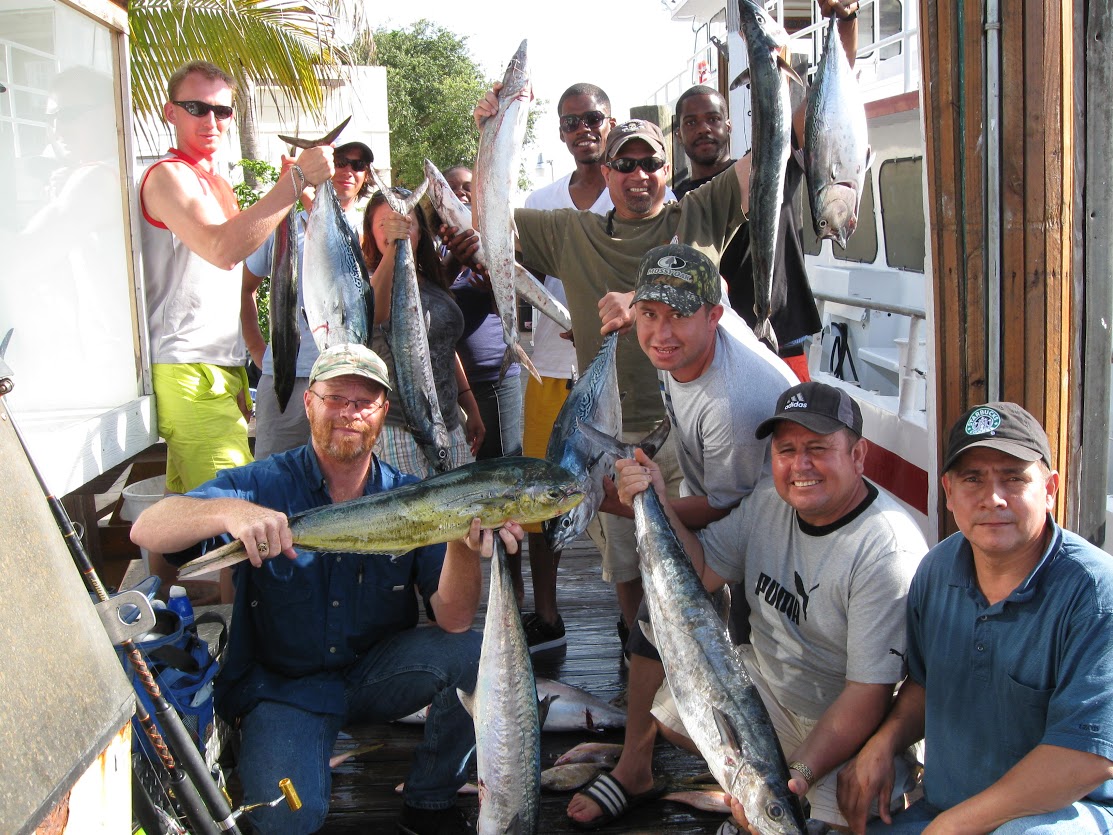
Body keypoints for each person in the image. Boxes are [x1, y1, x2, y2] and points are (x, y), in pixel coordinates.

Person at [130, 342, 519, 835]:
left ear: (382, 414)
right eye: (336, 397)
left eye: (365, 401)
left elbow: (453, 620)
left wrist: (464, 545)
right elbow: (148, 528)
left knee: (471, 653)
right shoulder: (263, 482)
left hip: (374, 674)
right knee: (290, 819)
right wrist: (231, 511)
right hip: (282, 688)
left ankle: (430, 799)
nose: (350, 412)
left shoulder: (412, 495)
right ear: (310, 402)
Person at [459, 92, 743, 652]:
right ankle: (637, 653)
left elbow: (789, 146)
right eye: (625, 164)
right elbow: (486, 220)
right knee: (625, 565)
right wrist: (491, 131)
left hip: (694, 427)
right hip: (612, 435)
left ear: (670, 168)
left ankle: (700, 664)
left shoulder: (700, 212)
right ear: (606, 171)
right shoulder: (572, 233)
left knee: (702, 564)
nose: (639, 175)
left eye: (651, 163)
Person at [575, 382, 926, 831]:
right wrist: (657, 499)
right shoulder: (768, 503)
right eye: (787, 450)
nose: (801, 465)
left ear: (858, 457)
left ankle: (770, 806)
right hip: (769, 693)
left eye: (818, 449)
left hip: (847, 720)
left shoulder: (884, 551)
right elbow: (699, 573)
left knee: (830, 814)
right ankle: (738, 796)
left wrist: (792, 779)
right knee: (672, 714)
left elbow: (868, 694)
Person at [565, 242, 797, 825]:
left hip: (766, 524)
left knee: (694, 620)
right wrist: (628, 302)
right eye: (649, 314)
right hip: (722, 490)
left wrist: (621, 503)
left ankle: (753, 776)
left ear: (714, 316)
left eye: (677, 316)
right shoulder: (695, 335)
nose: (660, 333)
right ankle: (637, 761)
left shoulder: (732, 403)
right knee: (657, 610)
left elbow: (723, 511)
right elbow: (685, 271)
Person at [837, 402, 1113, 834]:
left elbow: (1087, 759)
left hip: (1062, 814)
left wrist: (952, 827)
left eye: (1014, 478)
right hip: (946, 810)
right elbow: (926, 684)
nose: (993, 498)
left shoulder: (1095, 593)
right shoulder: (937, 569)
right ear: (948, 491)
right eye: (973, 479)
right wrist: (883, 741)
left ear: (1051, 489)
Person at [138, 60, 332, 594]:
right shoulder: (166, 177)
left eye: (223, 110)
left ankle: (165, 614)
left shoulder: (220, 184)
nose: (212, 120)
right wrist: (292, 185)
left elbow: (245, 250)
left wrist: (248, 358)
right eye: (196, 108)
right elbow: (222, 250)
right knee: (238, 516)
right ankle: (238, 653)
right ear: (170, 112)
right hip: (185, 368)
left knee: (181, 511)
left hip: (221, 369)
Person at [670, 5, 855, 380]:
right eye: (691, 122)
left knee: (792, 436)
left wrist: (846, 23)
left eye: (712, 119)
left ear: (729, 125)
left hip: (784, 334)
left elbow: (824, 110)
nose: (703, 129)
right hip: (716, 343)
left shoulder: (771, 161)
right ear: (679, 134)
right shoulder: (677, 200)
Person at [516, 82, 616, 652]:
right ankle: (548, 614)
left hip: (615, 373)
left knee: (621, 497)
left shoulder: (635, 188)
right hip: (550, 370)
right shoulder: (543, 199)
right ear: (560, 132)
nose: (585, 130)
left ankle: (635, 617)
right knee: (539, 495)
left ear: (610, 119)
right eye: (572, 122)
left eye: (593, 118)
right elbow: (517, 265)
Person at [241, 140, 374, 459]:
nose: (348, 171)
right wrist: (259, 352)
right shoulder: (282, 227)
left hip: (348, 386)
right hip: (288, 379)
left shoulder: (372, 232)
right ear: (327, 167)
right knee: (274, 481)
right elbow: (246, 289)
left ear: (366, 176)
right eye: (340, 161)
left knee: (342, 485)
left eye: (358, 166)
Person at [363, 188, 484, 477]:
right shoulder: (366, 284)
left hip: (449, 423)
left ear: (421, 231)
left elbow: (442, 346)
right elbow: (374, 314)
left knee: (460, 516)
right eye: (384, 223)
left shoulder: (433, 280)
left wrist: (470, 405)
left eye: (407, 222)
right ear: (370, 232)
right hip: (399, 431)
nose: (397, 227)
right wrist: (396, 245)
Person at [442, 164, 523, 462]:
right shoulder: (427, 243)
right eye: (452, 188)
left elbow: (509, 308)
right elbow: (429, 298)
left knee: (504, 463)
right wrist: (453, 260)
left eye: (467, 187)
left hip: (495, 376)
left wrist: (494, 286)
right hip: (448, 382)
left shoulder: (498, 239)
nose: (461, 193)